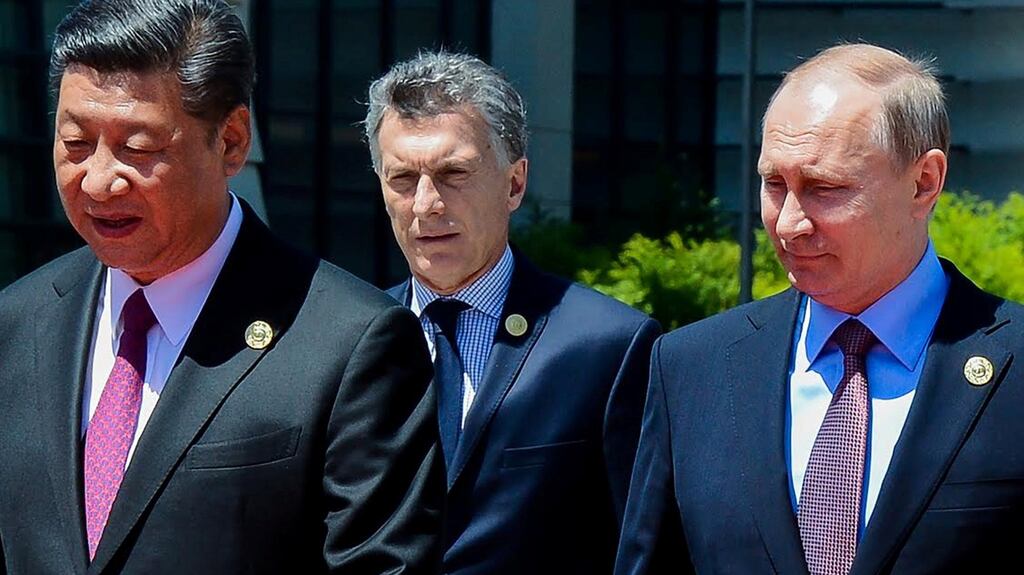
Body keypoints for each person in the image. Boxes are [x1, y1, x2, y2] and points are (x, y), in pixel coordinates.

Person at [0, 1, 444, 573]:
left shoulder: (349, 346)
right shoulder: (17, 324)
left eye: (138, 148)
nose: (100, 181)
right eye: (76, 143)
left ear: (231, 141)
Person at [616, 43, 1024, 575]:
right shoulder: (692, 368)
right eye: (774, 184)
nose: (788, 224)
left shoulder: (1014, 366)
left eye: (824, 188)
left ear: (924, 182)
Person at [364, 51, 661, 574]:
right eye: (403, 179)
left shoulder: (607, 347)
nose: (426, 204)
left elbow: (639, 548)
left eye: (453, 173)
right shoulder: (346, 342)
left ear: (514, 183)